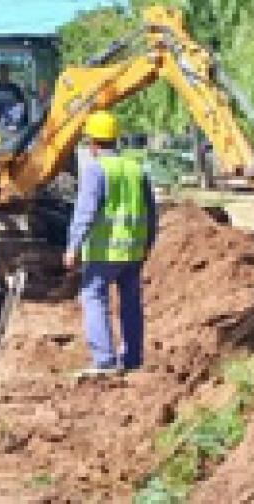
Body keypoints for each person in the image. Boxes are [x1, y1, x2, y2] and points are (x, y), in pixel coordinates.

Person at [64, 111, 158, 377]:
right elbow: (151, 213)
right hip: (133, 250)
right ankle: (133, 358)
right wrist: (148, 243)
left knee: (93, 297)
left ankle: (104, 360)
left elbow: (85, 212)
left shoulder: (95, 170)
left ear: (93, 143)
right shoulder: (136, 169)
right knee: (130, 302)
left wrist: (73, 246)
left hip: (104, 251)